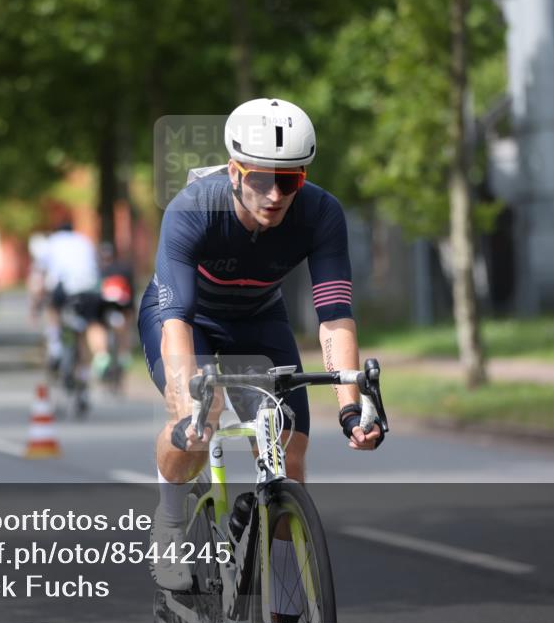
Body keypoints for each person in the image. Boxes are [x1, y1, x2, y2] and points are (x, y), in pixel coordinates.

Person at [138, 98, 385, 593]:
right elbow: (177, 322)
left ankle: (267, 576)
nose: (274, 194)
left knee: (290, 461)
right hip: (191, 320)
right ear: (234, 171)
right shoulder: (192, 210)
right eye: (259, 178)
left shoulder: (321, 213)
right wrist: (189, 407)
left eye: (289, 180)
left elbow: (334, 316)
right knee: (200, 426)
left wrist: (351, 409)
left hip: (259, 319)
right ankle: (168, 526)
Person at [31, 222, 108, 382]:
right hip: (90, 287)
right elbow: (97, 265)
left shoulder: (52, 242)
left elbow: (39, 274)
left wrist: (35, 304)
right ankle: (100, 358)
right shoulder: (85, 240)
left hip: (65, 288)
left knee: (53, 309)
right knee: (92, 324)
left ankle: (55, 347)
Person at [96, 242, 136, 379]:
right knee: (125, 327)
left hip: (106, 306)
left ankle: (102, 356)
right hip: (122, 305)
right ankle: (124, 355)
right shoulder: (124, 268)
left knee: (98, 326)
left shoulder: (99, 270)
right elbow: (131, 292)